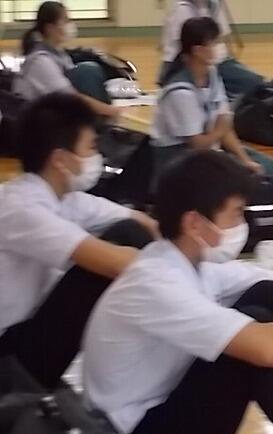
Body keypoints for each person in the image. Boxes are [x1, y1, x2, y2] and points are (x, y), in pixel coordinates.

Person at [82, 151, 273, 434]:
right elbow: (268, 350)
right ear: (194, 224)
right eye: (236, 214)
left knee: (271, 295)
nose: (241, 225)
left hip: (161, 405)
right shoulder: (155, 282)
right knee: (251, 340)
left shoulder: (190, 265)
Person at [0, 93, 157, 389]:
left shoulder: (62, 198)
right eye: (91, 148)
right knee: (119, 257)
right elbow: (116, 263)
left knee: (131, 234)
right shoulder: (21, 208)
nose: (97, 157)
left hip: (23, 334)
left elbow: (142, 221)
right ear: (60, 160)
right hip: (7, 356)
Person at [152, 17, 273, 191]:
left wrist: (245, 160)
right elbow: (198, 144)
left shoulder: (212, 74)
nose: (219, 47)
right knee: (239, 183)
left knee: (270, 170)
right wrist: (220, 131)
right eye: (214, 43)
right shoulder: (180, 91)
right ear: (198, 50)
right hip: (180, 160)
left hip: (208, 150)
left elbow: (224, 125)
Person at [13, 1, 119, 118]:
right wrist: (111, 111)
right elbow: (70, 97)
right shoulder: (40, 61)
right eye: (65, 21)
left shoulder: (59, 53)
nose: (70, 25)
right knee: (87, 71)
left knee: (87, 70)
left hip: (53, 111)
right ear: (50, 28)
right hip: (38, 120)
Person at [160, 0, 263, 97]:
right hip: (185, 65)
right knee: (254, 84)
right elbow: (186, 49)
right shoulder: (183, 9)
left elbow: (222, 36)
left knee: (256, 83)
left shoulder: (213, 5)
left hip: (213, 61)